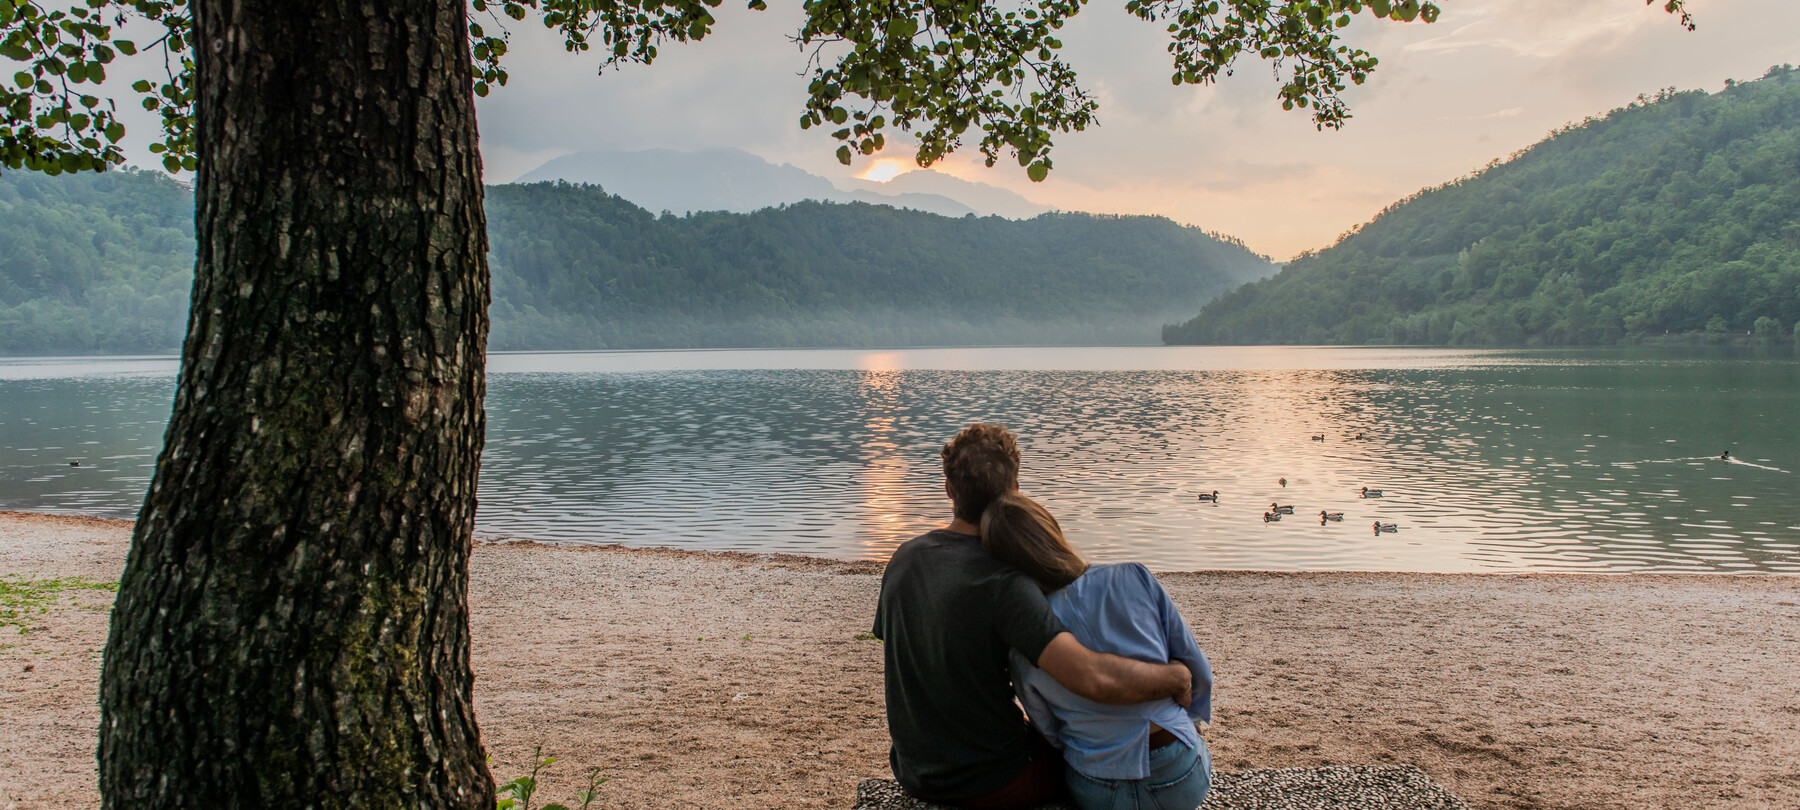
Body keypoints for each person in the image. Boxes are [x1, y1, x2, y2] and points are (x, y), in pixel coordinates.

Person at [872, 424, 1193, 809]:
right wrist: (1175, 675)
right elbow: (1092, 676)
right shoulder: (1004, 580)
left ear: (949, 490)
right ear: (1016, 490)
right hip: (992, 780)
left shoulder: (904, 558)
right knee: (1082, 758)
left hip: (914, 770)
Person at [982, 492, 1214, 810]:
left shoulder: (1025, 642)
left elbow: (1049, 730)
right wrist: (1184, 726)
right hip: (1179, 775)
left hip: (1098, 788)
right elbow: (1199, 674)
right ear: (1052, 532)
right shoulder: (1133, 577)